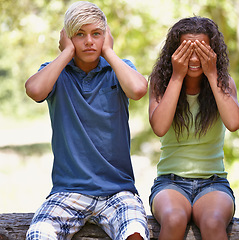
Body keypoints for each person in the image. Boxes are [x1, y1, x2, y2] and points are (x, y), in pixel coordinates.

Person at [25, 2, 149, 239]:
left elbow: (138, 89)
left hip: (118, 190)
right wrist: (66, 54)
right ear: (67, 39)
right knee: (40, 233)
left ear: (106, 37)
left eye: (96, 34)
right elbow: (35, 90)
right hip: (69, 191)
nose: (89, 41)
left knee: (135, 233)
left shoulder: (118, 69)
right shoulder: (55, 72)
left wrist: (109, 52)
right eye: (79, 35)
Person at [148, 16, 239, 240]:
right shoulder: (161, 82)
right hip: (170, 182)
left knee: (212, 222)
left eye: (201, 51)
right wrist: (177, 75)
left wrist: (212, 74)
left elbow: (234, 123)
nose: (193, 58)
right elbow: (159, 127)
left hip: (213, 183)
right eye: (186, 50)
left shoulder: (224, 83)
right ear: (174, 53)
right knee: (173, 219)